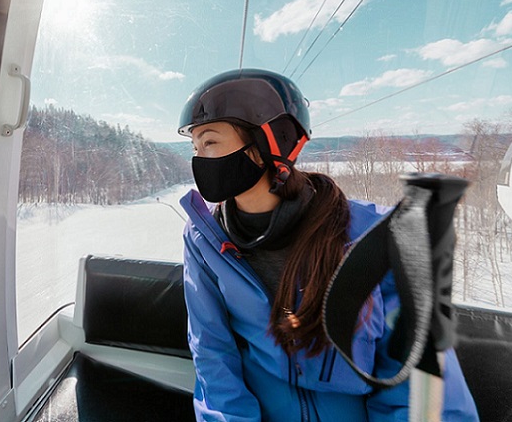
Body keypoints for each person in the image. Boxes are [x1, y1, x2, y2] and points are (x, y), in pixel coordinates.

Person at [177, 68, 478, 422]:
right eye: (194, 147)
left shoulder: (376, 235)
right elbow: (212, 355)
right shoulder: (204, 240)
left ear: (269, 142)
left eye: (210, 142)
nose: (198, 159)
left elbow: (420, 384)